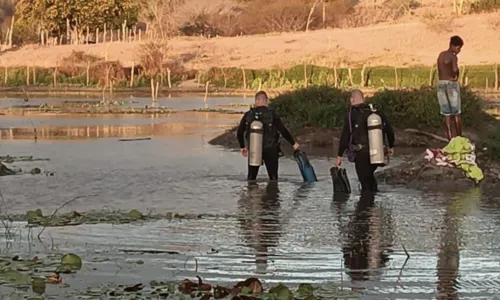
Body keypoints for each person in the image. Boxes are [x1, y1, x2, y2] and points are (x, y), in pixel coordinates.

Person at [335, 89, 395, 192]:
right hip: (378, 153)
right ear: (363, 99)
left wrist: (339, 156)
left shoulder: (351, 115)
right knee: (370, 178)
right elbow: (389, 130)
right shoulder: (376, 113)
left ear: (352, 100)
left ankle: (366, 206)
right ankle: (373, 204)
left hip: (362, 154)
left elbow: (345, 136)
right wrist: (390, 146)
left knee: (365, 184)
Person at [237, 91, 300, 181]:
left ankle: (251, 193)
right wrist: (293, 143)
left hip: (254, 149)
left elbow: (239, 132)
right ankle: (273, 193)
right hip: (270, 149)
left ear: (256, 101)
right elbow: (282, 130)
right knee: (273, 178)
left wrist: (242, 147)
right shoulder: (272, 113)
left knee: (251, 179)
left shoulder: (249, 114)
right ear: (266, 101)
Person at [437, 35, 464, 141]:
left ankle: (449, 139)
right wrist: (457, 74)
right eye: (458, 48)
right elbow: (454, 69)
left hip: (441, 84)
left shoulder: (441, 55)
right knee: (456, 112)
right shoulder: (453, 56)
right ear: (453, 46)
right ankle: (459, 138)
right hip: (451, 84)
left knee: (446, 113)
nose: (459, 51)